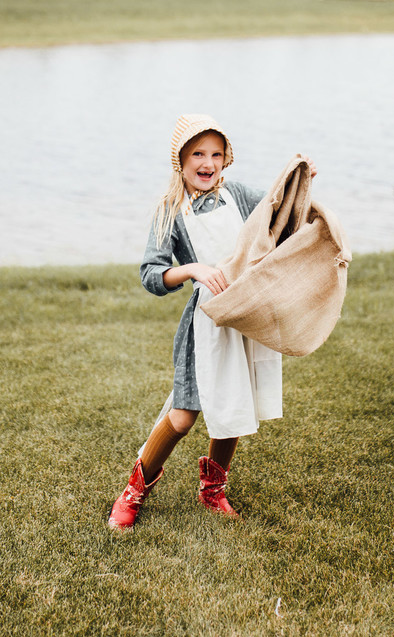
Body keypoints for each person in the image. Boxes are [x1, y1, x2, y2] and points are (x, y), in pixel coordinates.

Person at [108, 114, 317, 530]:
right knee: (183, 415)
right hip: (205, 323)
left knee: (233, 402)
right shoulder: (170, 211)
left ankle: (213, 490)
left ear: (226, 159)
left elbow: (279, 212)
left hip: (245, 315)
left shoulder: (237, 195)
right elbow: (151, 274)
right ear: (181, 160)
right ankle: (134, 491)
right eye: (198, 154)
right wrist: (193, 269)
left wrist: (301, 181)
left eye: (216, 154)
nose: (208, 163)